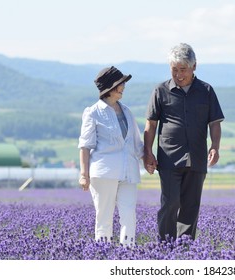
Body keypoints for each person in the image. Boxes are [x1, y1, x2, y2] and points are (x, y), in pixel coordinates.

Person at [143, 43, 224, 241]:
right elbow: (151, 124)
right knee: (170, 203)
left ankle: (185, 250)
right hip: (169, 158)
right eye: (174, 70)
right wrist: (148, 152)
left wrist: (215, 146)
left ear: (194, 66)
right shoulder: (160, 91)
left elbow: (214, 123)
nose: (179, 75)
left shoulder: (206, 90)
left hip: (196, 158)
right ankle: (164, 246)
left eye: (183, 70)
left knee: (191, 206)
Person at [78, 66, 143, 246]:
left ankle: (127, 253)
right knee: (104, 217)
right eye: (120, 84)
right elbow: (85, 145)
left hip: (129, 171)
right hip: (104, 172)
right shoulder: (93, 112)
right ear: (111, 88)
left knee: (129, 214)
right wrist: (84, 175)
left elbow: (137, 143)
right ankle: (102, 254)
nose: (123, 87)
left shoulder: (127, 111)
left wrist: (148, 159)